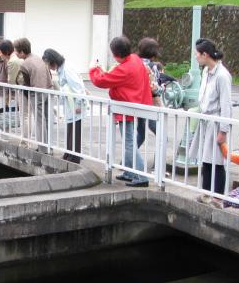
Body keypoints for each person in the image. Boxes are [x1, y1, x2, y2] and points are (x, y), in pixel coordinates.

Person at [89, 36, 152, 187]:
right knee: (130, 142)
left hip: (128, 108)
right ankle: (130, 172)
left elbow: (101, 81)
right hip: (140, 104)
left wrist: (93, 69)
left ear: (115, 54)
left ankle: (141, 176)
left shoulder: (124, 69)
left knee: (129, 142)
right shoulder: (135, 59)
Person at [188, 38, 233, 206]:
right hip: (206, 119)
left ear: (205, 55)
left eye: (197, 54)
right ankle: (206, 193)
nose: (196, 57)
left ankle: (218, 197)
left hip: (216, 120)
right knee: (206, 159)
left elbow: (226, 104)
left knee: (216, 160)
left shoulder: (222, 75)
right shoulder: (206, 71)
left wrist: (223, 130)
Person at [42, 48, 88, 164]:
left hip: (75, 104)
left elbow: (78, 88)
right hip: (70, 104)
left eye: (48, 64)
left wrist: (78, 104)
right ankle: (69, 153)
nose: (49, 67)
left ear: (53, 61)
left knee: (75, 130)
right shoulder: (61, 69)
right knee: (70, 129)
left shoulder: (67, 69)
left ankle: (75, 156)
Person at [15, 38, 53, 151]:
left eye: (16, 51)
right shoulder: (38, 58)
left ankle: (43, 149)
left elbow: (25, 83)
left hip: (37, 93)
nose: (15, 53)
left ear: (22, 52)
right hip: (48, 89)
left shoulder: (25, 64)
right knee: (46, 120)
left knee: (39, 121)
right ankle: (48, 147)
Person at [136, 37, 162, 147]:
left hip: (137, 102)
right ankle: (158, 164)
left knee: (140, 135)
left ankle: (125, 161)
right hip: (151, 104)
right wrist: (162, 88)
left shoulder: (135, 63)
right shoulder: (153, 66)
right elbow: (154, 87)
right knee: (162, 137)